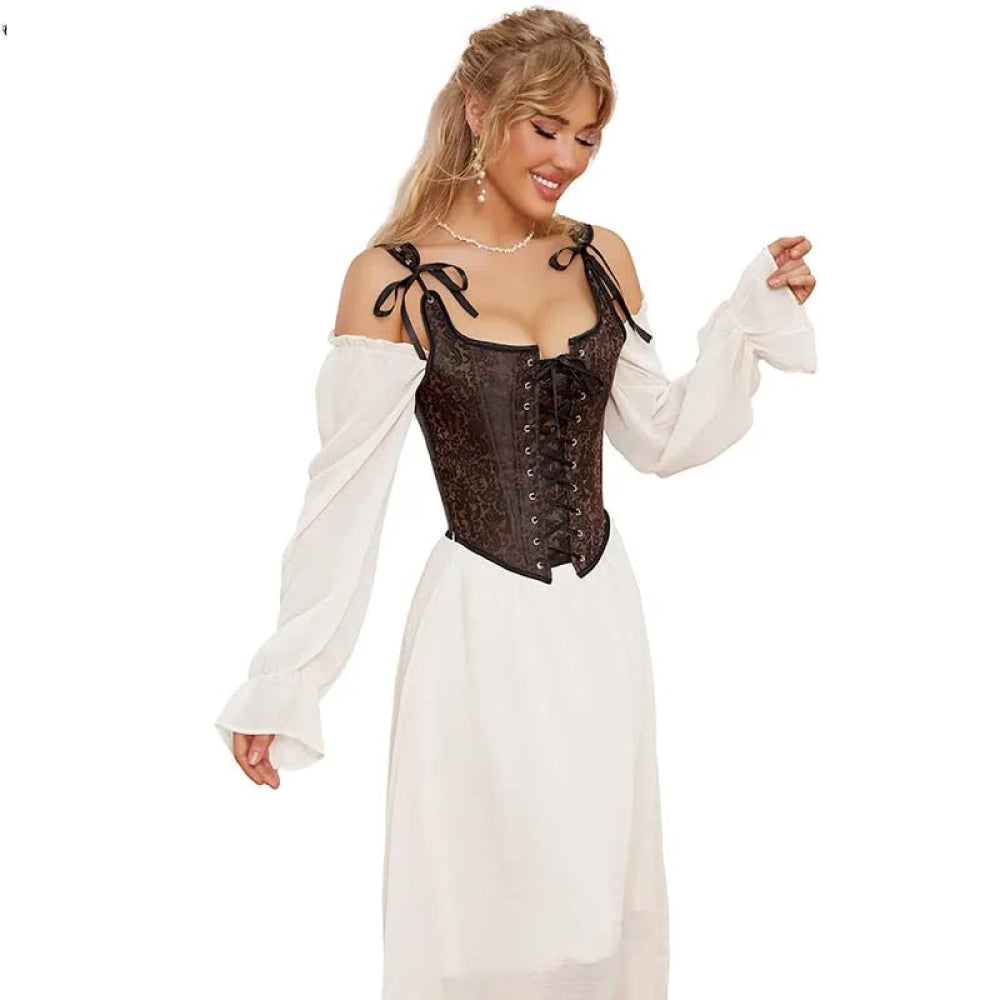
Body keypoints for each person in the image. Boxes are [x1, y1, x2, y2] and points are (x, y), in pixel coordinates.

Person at [214, 7, 817, 997]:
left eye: (587, 137)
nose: (567, 160)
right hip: (478, 629)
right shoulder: (392, 280)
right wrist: (287, 678)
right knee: (486, 904)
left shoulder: (599, 256)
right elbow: (341, 504)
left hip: (600, 619)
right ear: (478, 110)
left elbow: (660, 438)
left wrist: (754, 317)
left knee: (596, 901)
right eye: (547, 128)